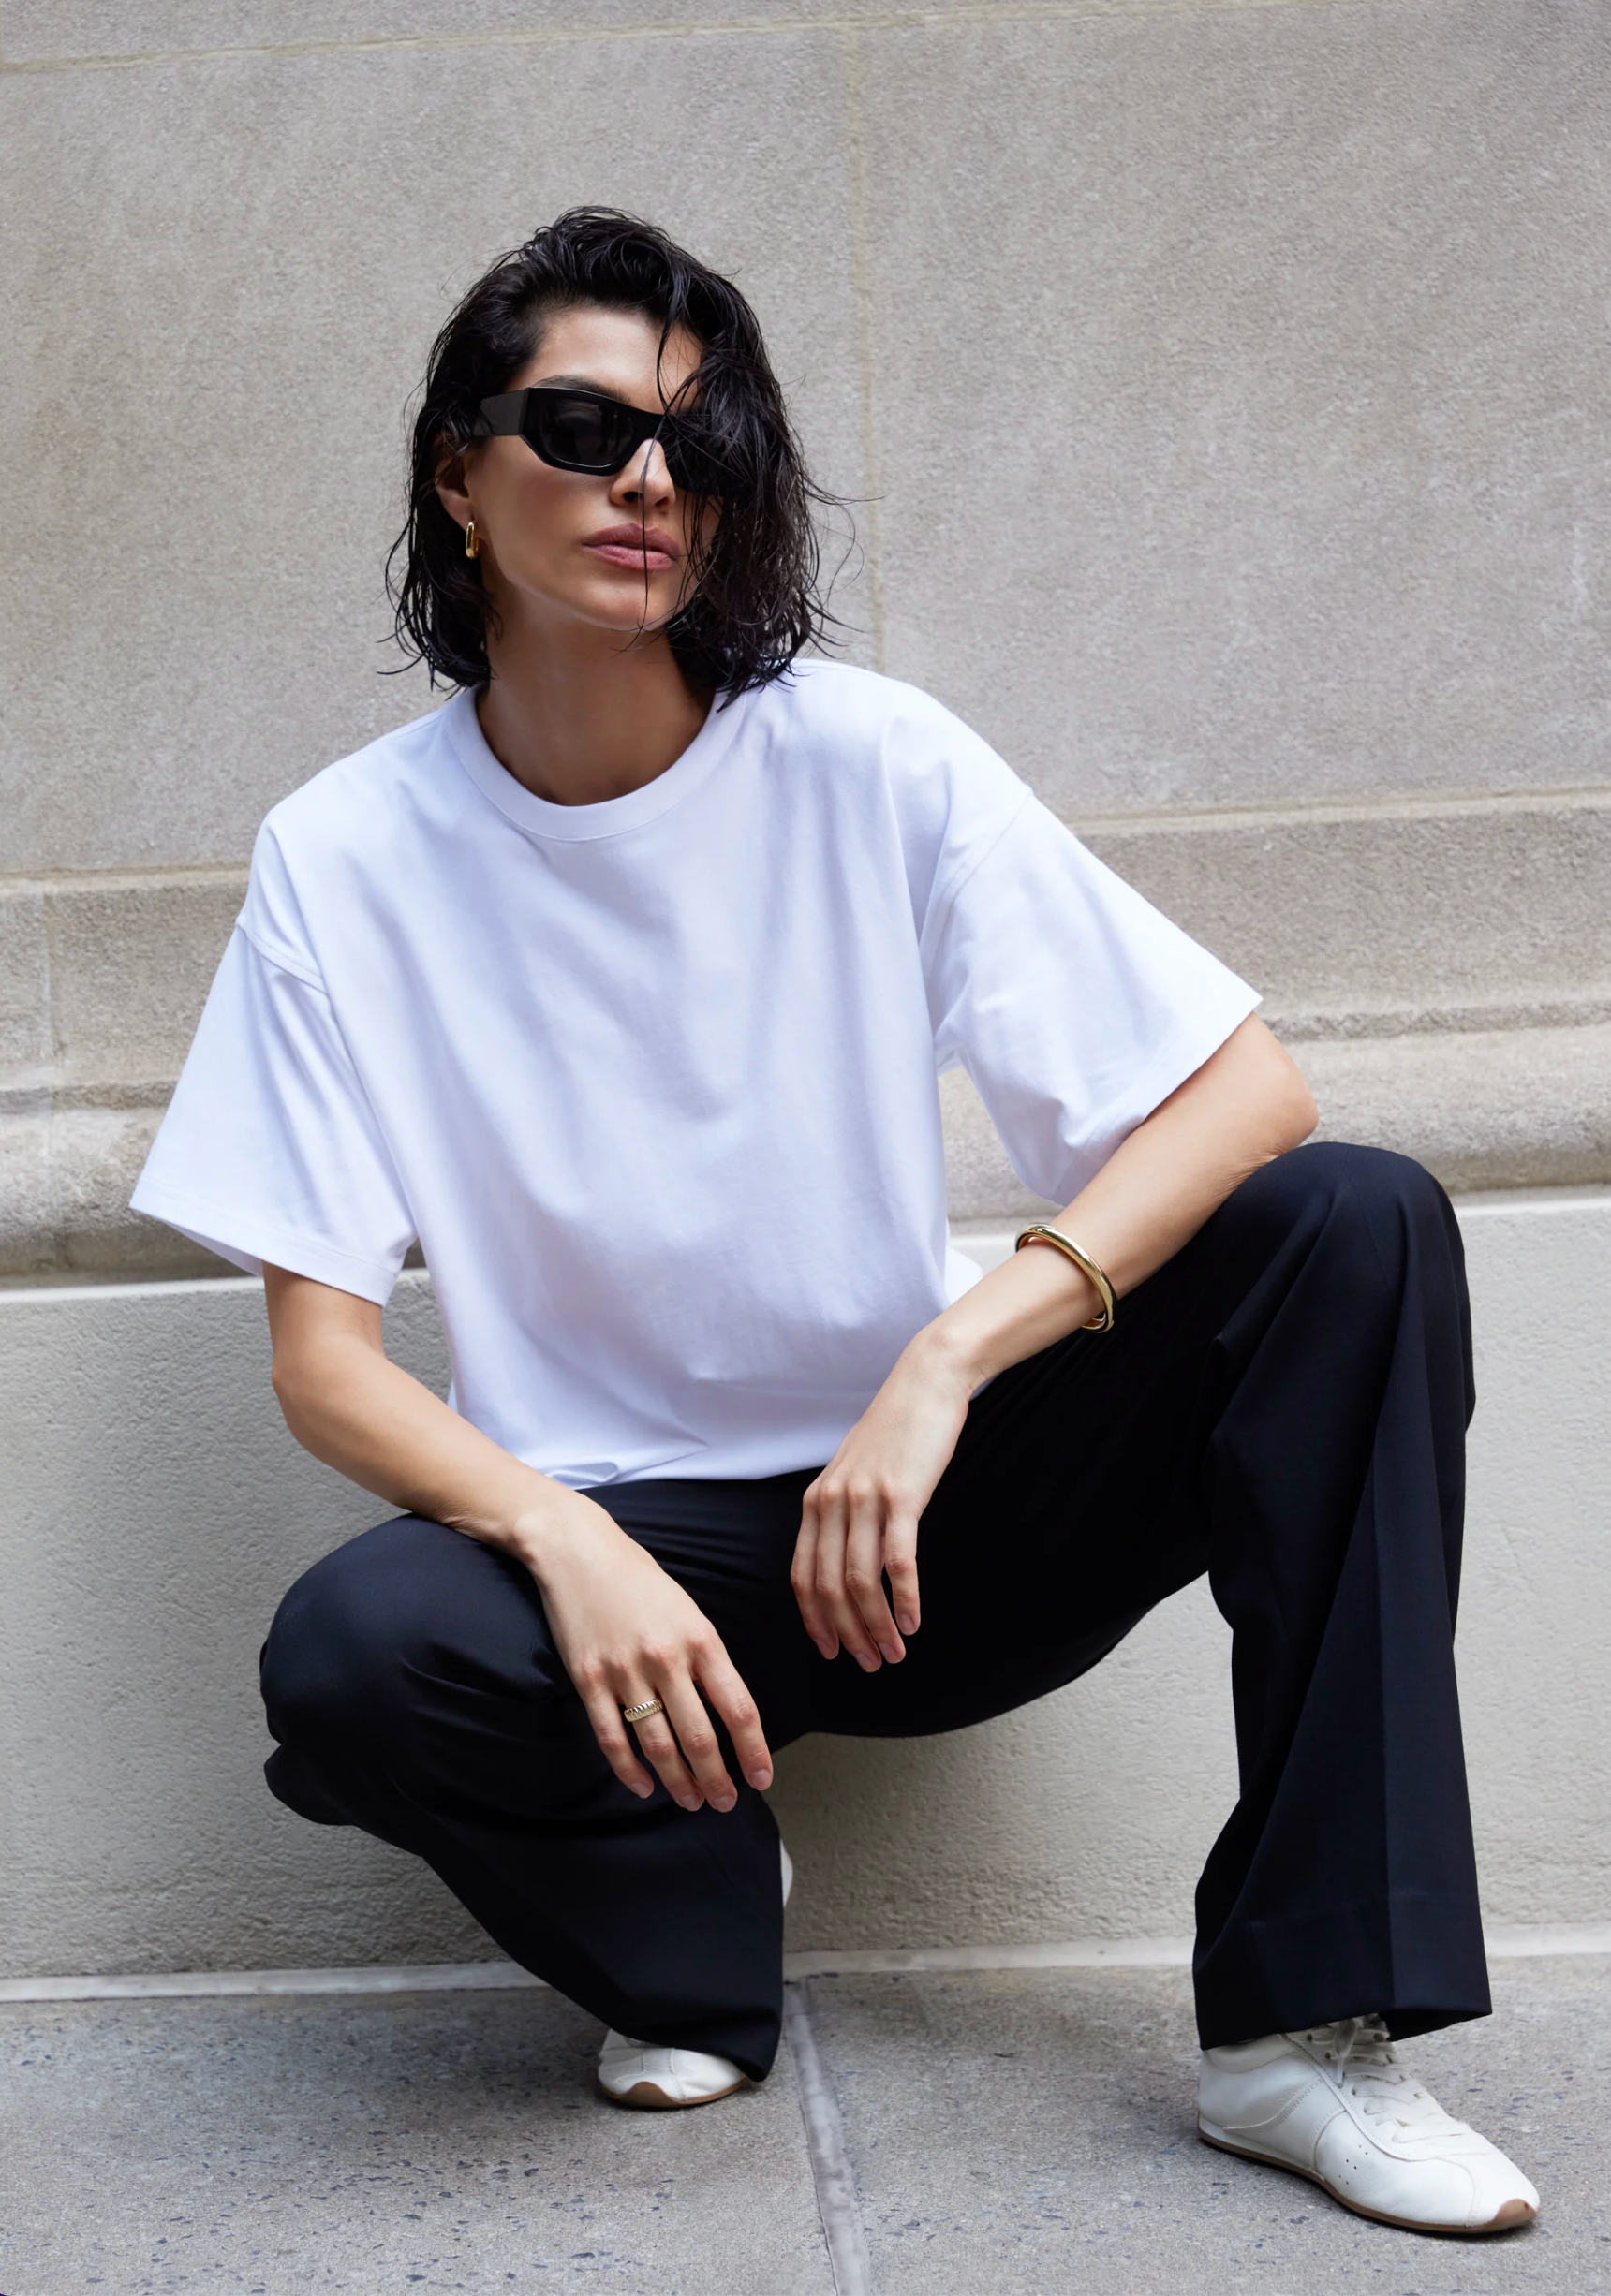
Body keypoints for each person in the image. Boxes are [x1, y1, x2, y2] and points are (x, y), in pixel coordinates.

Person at [133, 209, 1538, 2238]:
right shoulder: (344, 858)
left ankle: (1303, 2032)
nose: (644, 480)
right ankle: (694, 1915)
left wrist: (952, 1353)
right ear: (456, 473)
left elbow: (1249, 1089)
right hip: (637, 1590)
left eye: (695, 444)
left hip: (932, 1510)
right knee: (351, 1653)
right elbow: (323, 1361)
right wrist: (563, 1531)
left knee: (1353, 1224)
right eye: (579, 423)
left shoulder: (864, 760)